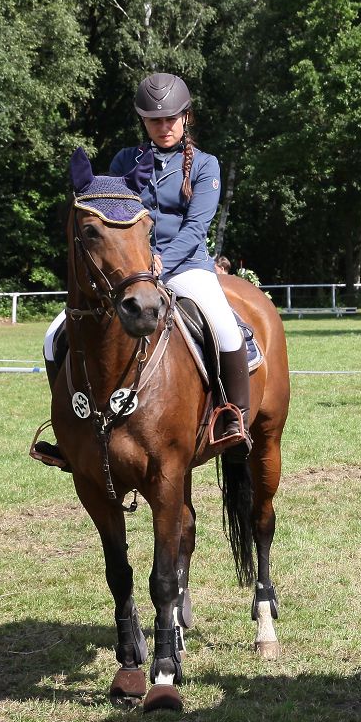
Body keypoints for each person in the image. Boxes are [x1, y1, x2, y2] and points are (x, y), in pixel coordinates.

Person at [32, 72, 248, 468]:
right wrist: (134, 265)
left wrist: (160, 262)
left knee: (224, 327)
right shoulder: (122, 162)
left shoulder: (205, 165)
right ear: (144, 122)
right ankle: (71, 428)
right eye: (154, 120)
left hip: (186, 267)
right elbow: (113, 220)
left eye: (171, 119)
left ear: (186, 118)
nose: (163, 127)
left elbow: (197, 227)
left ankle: (233, 418)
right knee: (53, 337)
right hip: (129, 272)